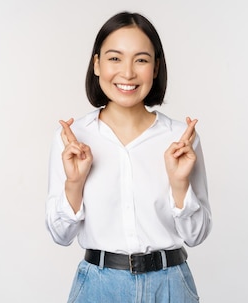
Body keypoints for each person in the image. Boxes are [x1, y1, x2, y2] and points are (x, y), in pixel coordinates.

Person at [45, 11, 212, 303]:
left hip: (170, 285)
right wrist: (74, 183)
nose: (128, 72)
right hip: (98, 287)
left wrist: (179, 185)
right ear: (96, 64)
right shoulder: (74, 138)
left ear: (156, 67)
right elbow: (61, 235)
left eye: (141, 60)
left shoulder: (180, 139)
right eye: (114, 58)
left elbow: (196, 236)